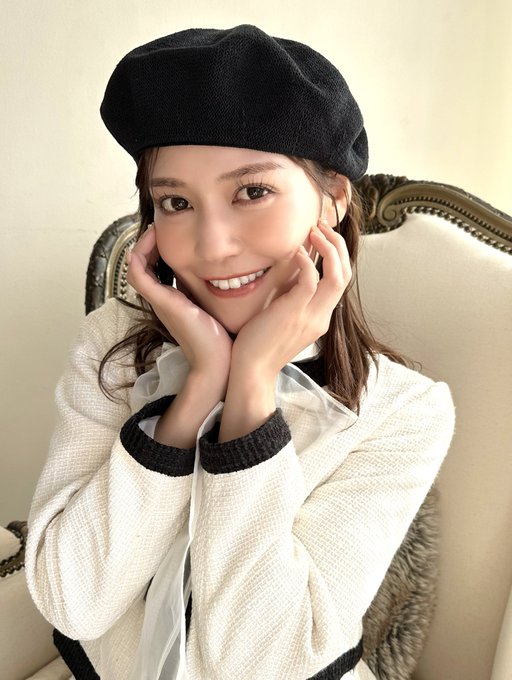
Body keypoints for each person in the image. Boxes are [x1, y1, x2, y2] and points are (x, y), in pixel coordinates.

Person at [25, 25, 455, 680]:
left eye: (252, 192)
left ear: (334, 201)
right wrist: (196, 390)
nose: (213, 245)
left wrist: (250, 388)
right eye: (176, 202)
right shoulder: (111, 347)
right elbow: (72, 604)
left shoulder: (403, 412)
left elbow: (265, 665)